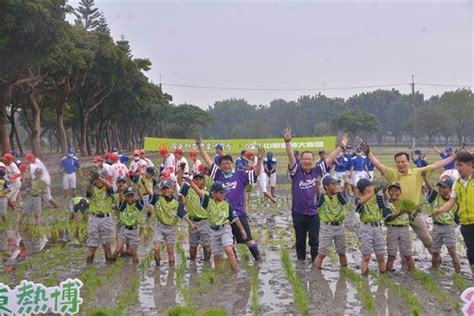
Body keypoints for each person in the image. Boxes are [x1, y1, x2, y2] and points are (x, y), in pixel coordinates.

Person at [360, 140, 457, 255]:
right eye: (398, 162)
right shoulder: (392, 173)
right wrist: (369, 154)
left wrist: (454, 157)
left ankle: (436, 262)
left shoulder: (418, 172)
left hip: (414, 213)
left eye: (403, 161)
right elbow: (380, 166)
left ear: (408, 162)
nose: (401, 164)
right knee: (401, 244)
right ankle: (404, 266)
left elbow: (437, 165)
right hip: (397, 214)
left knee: (427, 240)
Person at [283, 127, 348, 262]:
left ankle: (314, 262)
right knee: (300, 239)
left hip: (314, 213)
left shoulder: (317, 171)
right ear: (300, 161)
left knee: (314, 240)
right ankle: (300, 262)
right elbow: (290, 157)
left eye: (309, 159)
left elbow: (329, 158)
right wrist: (288, 142)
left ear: (313, 161)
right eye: (304, 159)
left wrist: (341, 147)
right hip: (298, 212)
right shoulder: (296, 172)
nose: (307, 161)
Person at [196, 136, 263, 261]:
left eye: (228, 163)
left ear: (232, 164)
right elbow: (208, 160)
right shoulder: (218, 174)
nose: (226, 165)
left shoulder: (241, 174)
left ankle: (258, 260)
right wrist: (200, 146)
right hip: (223, 216)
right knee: (229, 243)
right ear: (220, 166)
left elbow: (256, 173)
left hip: (239, 213)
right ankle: (235, 263)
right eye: (223, 164)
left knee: (248, 240)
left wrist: (259, 160)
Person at [189, 180, 247, 272]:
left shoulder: (227, 203)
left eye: (224, 192)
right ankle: (218, 277)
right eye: (221, 193)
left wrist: (242, 229)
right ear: (214, 193)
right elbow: (198, 191)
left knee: (228, 250)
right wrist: (190, 182)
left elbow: (235, 218)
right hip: (213, 231)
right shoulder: (208, 202)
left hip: (225, 229)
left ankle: (235, 274)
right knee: (216, 256)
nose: (224, 195)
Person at [433, 153, 474, 271]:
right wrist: (438, 210)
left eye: (460, 165)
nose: (458, 168)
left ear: (470, 165)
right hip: (466, 224)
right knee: (471, 254)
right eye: (457, 165)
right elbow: (451, 202)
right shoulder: (457, 183)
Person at [150, 179, 196, 266]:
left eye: (168, 188)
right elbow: (149, 194)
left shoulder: (177, 203)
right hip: (159, 227)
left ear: (172, 189)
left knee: (170, 251)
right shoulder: (157, 198)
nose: (166, 190)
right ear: (161, 190)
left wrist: (191, 223)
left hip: (171, 228)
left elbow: (183, 215)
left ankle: (171, 272)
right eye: (164, 189)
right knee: (156, 249)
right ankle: (157, 268)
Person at [313, 176, 350, 269]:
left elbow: (345, 202)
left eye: (336, 184)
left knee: (342, 252)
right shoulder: (322, 197)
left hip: (339, 227)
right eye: (333, 184)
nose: (335, 186)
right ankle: (315, 274)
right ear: (326, 187)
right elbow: (317, 201)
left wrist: (345, 187)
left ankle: (345, 271)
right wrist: (316, 187)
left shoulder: (339, 195)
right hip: (327, 228)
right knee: (322, 253)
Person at [354, 178, 390, 274]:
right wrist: (375, 191)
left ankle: (383, 277)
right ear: (367, 188)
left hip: (378, 228)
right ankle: (364, 280)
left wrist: (385, 191)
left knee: (381, 255)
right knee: (366, 256)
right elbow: (360, 204)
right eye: (371, 186)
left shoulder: (377, 198)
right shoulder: (359, 199)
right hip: (366, 228)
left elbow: (387, 201)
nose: (373, 187)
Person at [425, 177, 461, 273]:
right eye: (440, 186)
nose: (441, 189)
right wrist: (425, 177)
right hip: (436, 227)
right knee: (435, 251)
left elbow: (458, 220)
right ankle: (434, 270)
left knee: (452, 251)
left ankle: (458, 273)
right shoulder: (435, 197)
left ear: (450, 189)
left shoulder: (455, 202)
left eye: (444, 187)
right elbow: (430, 188)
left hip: (449, 228)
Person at [178, 167, 212, 261]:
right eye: (195, 179)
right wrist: (181, 169)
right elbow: (179, 181)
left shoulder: (207, 193)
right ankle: (192, 265)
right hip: (192, 221)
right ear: (193, 180)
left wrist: (191, 182)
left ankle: (207, 265)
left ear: (204, 181)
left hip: (205, 221)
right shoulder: (188, 189)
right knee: (192, 246)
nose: (197, 181)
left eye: (200, 179)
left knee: (207, 246)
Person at [382, 182, 416, 271]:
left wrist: (415, 212)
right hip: (392, 229)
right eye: (391, 191)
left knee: (408, 254)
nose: (394, 193)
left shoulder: (405, 203)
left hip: (404, 229)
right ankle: (387, 275)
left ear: (400, 192)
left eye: (396, 190)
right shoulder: (386, 204)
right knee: (391, 254)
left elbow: (411, 218)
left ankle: (414, 273)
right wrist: (399, 213)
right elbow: (387, 219)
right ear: (388, 192)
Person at [85, 171, 115, 264]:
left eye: (101, 179)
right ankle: (89, 269)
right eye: (97, 180)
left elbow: (110, 187)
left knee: (107, 246)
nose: (99, 181)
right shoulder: (92, 189)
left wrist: (98, 177)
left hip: (106, 219)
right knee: (92, 246)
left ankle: (109, 268)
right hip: (94, 219)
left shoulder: (108, 189)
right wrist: (91, 181)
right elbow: (88, 192)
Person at [112, 187, 144, 263]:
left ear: (135, 196)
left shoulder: (138, 204)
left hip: (134, 231)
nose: (130, 198)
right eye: (128, 196)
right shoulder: (123, 204)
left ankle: (135, 271)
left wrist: (139, 190)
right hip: (124, 230)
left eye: (132, 196)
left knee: (134, 253)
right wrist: (120, 192)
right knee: (118, 250)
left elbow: (142, 199)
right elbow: (120, 200)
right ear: (125, 197)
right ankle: (110, 264)